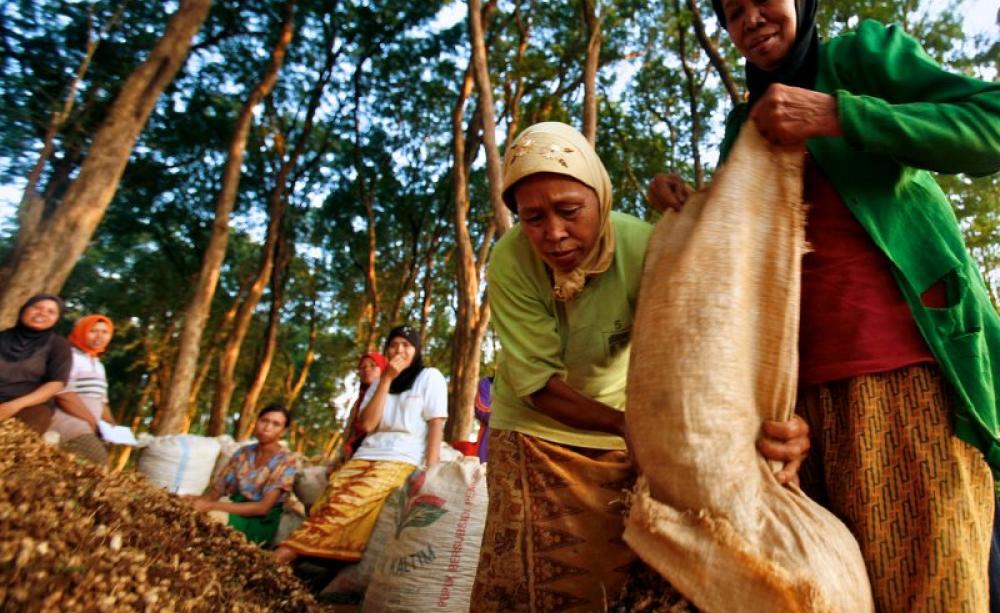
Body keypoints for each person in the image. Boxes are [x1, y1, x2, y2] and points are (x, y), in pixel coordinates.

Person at [647, 1, 1000, 608]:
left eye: (764, 1)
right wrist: (692, 203)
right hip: (797, 417)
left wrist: (841, 114)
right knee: (829, 593)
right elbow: (751, 256)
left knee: (934, 593)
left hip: (911, 377)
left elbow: (991, 128)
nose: (751, 19)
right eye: (732, 12)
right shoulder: (744, 126)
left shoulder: (862, 59)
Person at [472, 121, 811, 611]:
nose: (554, 233)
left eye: (570, 211)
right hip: (533, 435)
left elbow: (689, 348)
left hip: (620, 434)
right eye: (533, 218)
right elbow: (536, 384)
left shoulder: (642, 245)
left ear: (601, 197)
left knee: (609, 584)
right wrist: (627, 424)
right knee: (528, 585)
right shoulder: (510, 260)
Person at [273, 325, 447, 565]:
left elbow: (436, 423)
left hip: (399, 458)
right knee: (328, 500)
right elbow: (366, 425)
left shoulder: (429, 376)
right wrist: (386, 379)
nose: (399, 350)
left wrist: (432, 470)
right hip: (365, 455)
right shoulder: (379, 382)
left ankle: (285, 554)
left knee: (353, 501)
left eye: (406, 345)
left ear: (416, 351)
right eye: (393, 345)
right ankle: (318, 559)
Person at [186, 404, 298, 546]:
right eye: (264, 421)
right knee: (189, 510)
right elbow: (216, 491)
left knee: (211, 518)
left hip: (259, 521)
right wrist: (194, 500)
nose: (267, 427)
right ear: (256, 422)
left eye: (276, 424)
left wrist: (209, 505)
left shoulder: (286, 461)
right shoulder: (243, 453)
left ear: (283, 431)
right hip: (235, 507)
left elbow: (262, 508)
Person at [48, 314, 116, 464]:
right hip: (69, 420)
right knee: (97, 459)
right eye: (93, 331)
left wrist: (111, 423)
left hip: (90, 425)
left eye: (105, 332)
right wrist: (92, 421)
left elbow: (102, 401)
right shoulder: (69, 355)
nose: (99, 336)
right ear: (81, 331)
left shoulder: (98, 364)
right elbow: (63, 393)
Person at [0, 295, 72, 434]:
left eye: (51, 312)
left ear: (58, 319)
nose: (42, 313)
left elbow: (56, 383)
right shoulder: (2, 337)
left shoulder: (58, 344)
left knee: (20, 438)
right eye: (36, 307)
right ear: (23, 310)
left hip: (29, 405)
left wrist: (14, 405)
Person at [332, 351, 388, 468]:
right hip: (354, 455)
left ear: (383, 369)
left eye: (373, 365)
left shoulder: (390, 398)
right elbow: (348, 434)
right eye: (362, 367)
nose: (367, 369)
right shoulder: (357, 405)